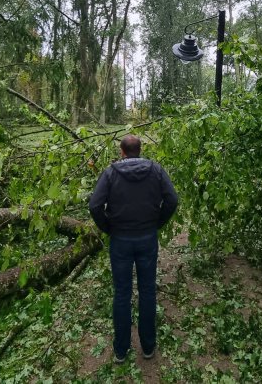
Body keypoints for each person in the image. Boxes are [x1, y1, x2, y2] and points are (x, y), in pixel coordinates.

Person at [88, 134, 178, 364]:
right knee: (147, 291)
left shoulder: (110, 173)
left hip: (121, 240)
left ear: (122, 152)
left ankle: (121, 350)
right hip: (147, 238)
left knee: (122, 293)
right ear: (140, 150)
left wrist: (109, 228)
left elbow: (95, 205)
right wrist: (157, 222)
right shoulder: (156, 170)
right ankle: (148, 347)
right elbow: (172, 200)